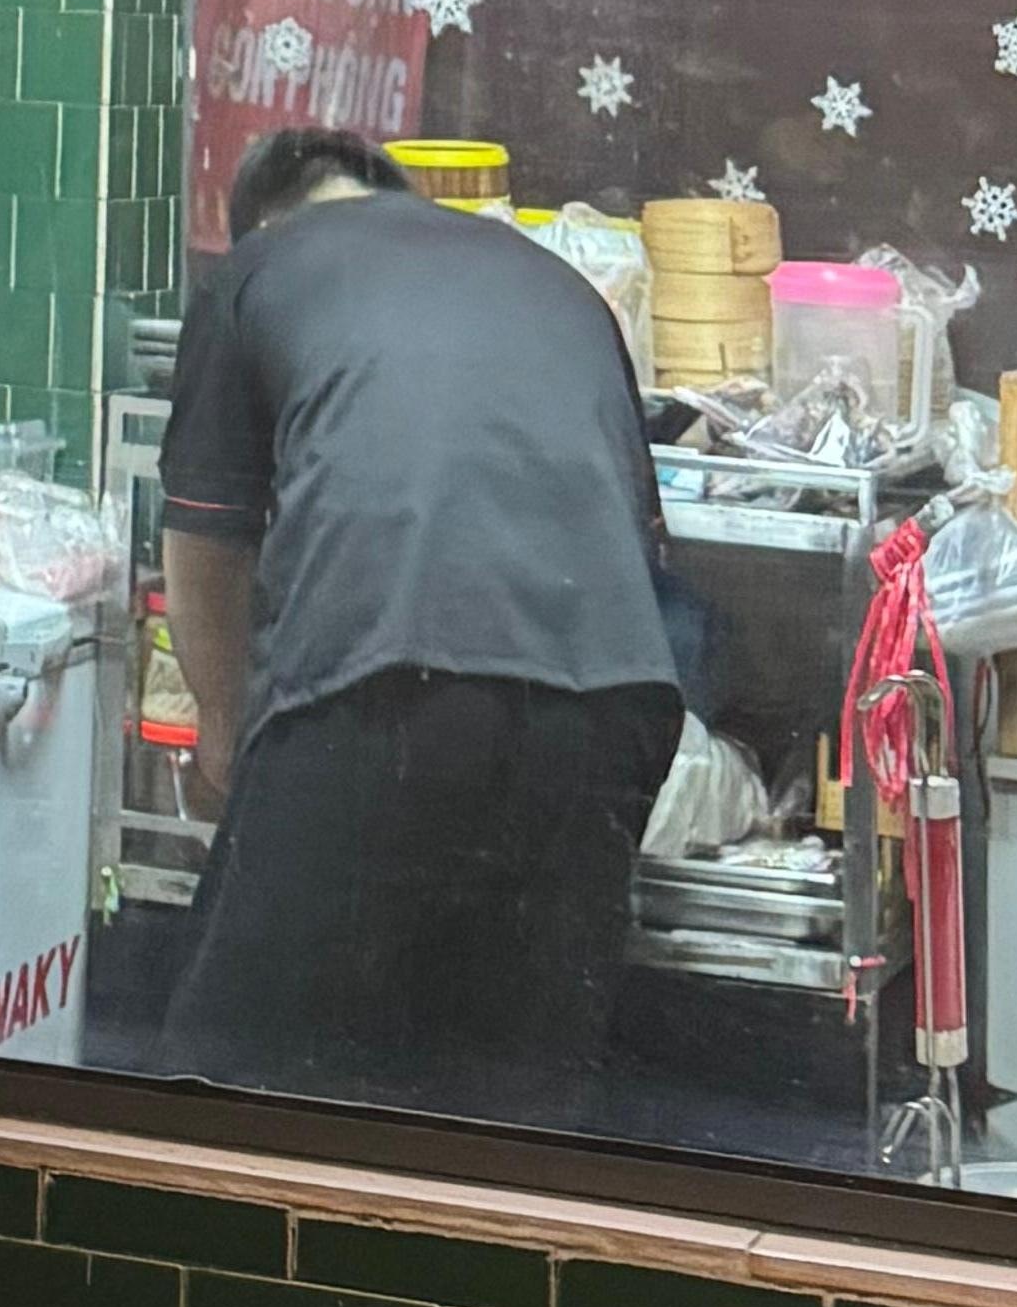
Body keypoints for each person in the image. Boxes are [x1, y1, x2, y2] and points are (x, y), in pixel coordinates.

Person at [156, 126, 683, 1129]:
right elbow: (644, 546)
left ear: (264, 222)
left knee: (229, 1089)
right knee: (508, 1111)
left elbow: (206, 546)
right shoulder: (555, 282)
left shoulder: (255, 271)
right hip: (614, 708)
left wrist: (227, 739)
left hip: (385, 686)